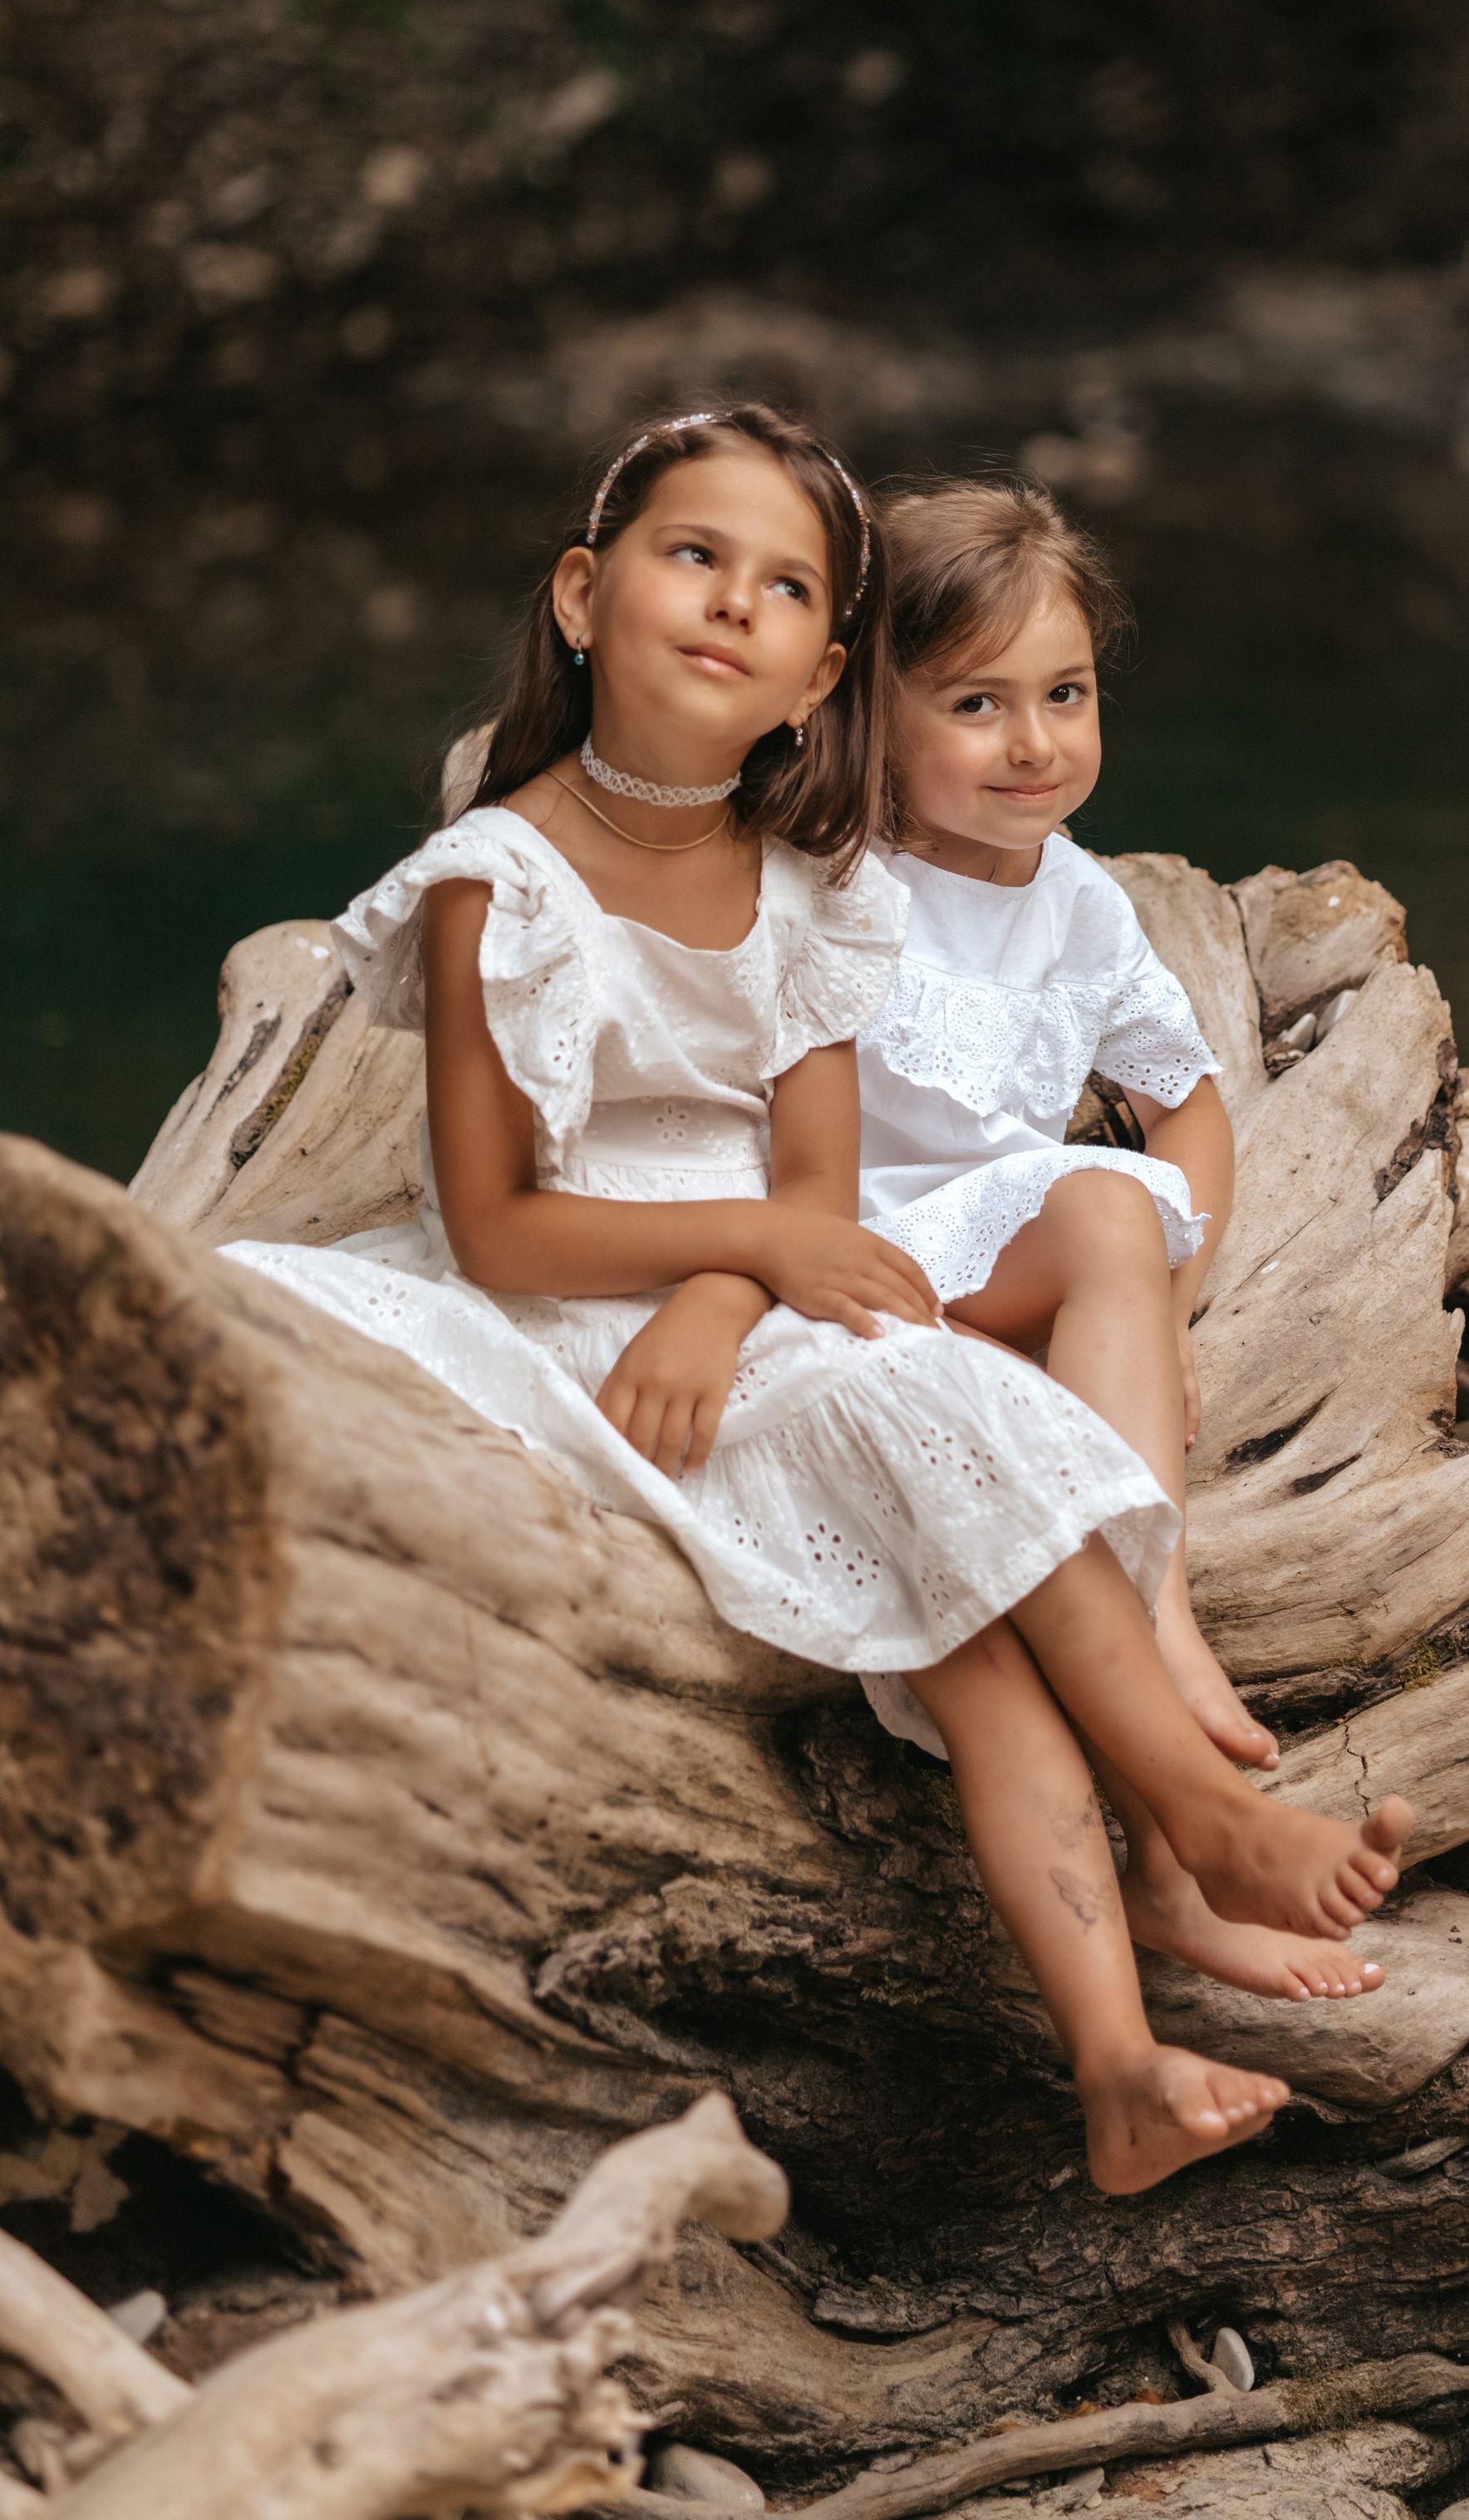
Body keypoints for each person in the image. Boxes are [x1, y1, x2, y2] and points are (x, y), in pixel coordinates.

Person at [220, 405, 1408, 2192]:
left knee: (981, 1616)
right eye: (691, 555)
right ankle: (1205, 1811)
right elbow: (491, 1228)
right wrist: (747, 1269)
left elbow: (818, 1190)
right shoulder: (498, 888)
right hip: (570, 1297)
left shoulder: (799, 886)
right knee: (925, 1437)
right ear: (578, 592)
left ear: (814, 677)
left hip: (770, 1293)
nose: (727, 604)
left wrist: (759, 1268)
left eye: (780, 585)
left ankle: (1117, 2069)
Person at [857, 478, 1387, 2007]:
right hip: (861, 1268)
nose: (1035, 744)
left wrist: (1170, 1314)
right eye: (976, 703)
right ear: (869, 714)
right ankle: (1163, 1624)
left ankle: (1170, 1876)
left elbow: (1193, 1109)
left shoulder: (1078, 901)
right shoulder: (834, 884)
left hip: (1015, 1272)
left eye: (1066, 695)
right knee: (1099, 1204)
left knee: (1112, 1212)